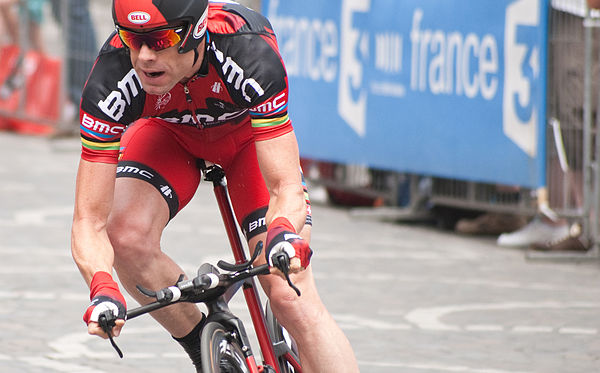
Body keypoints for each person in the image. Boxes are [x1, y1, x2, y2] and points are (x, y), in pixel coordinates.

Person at [71, 1, 359, 372]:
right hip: (169, 135)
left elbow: (285, 187)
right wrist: (102, 286)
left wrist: (283, 234)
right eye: (131, 37)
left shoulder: (246, 49)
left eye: (160, 39)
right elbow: (88, 221)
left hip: (245, 140)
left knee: (291, 295)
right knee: (124, 236)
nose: (143, 55)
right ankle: (209, 350)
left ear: (196, 30)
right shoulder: (111, 74)